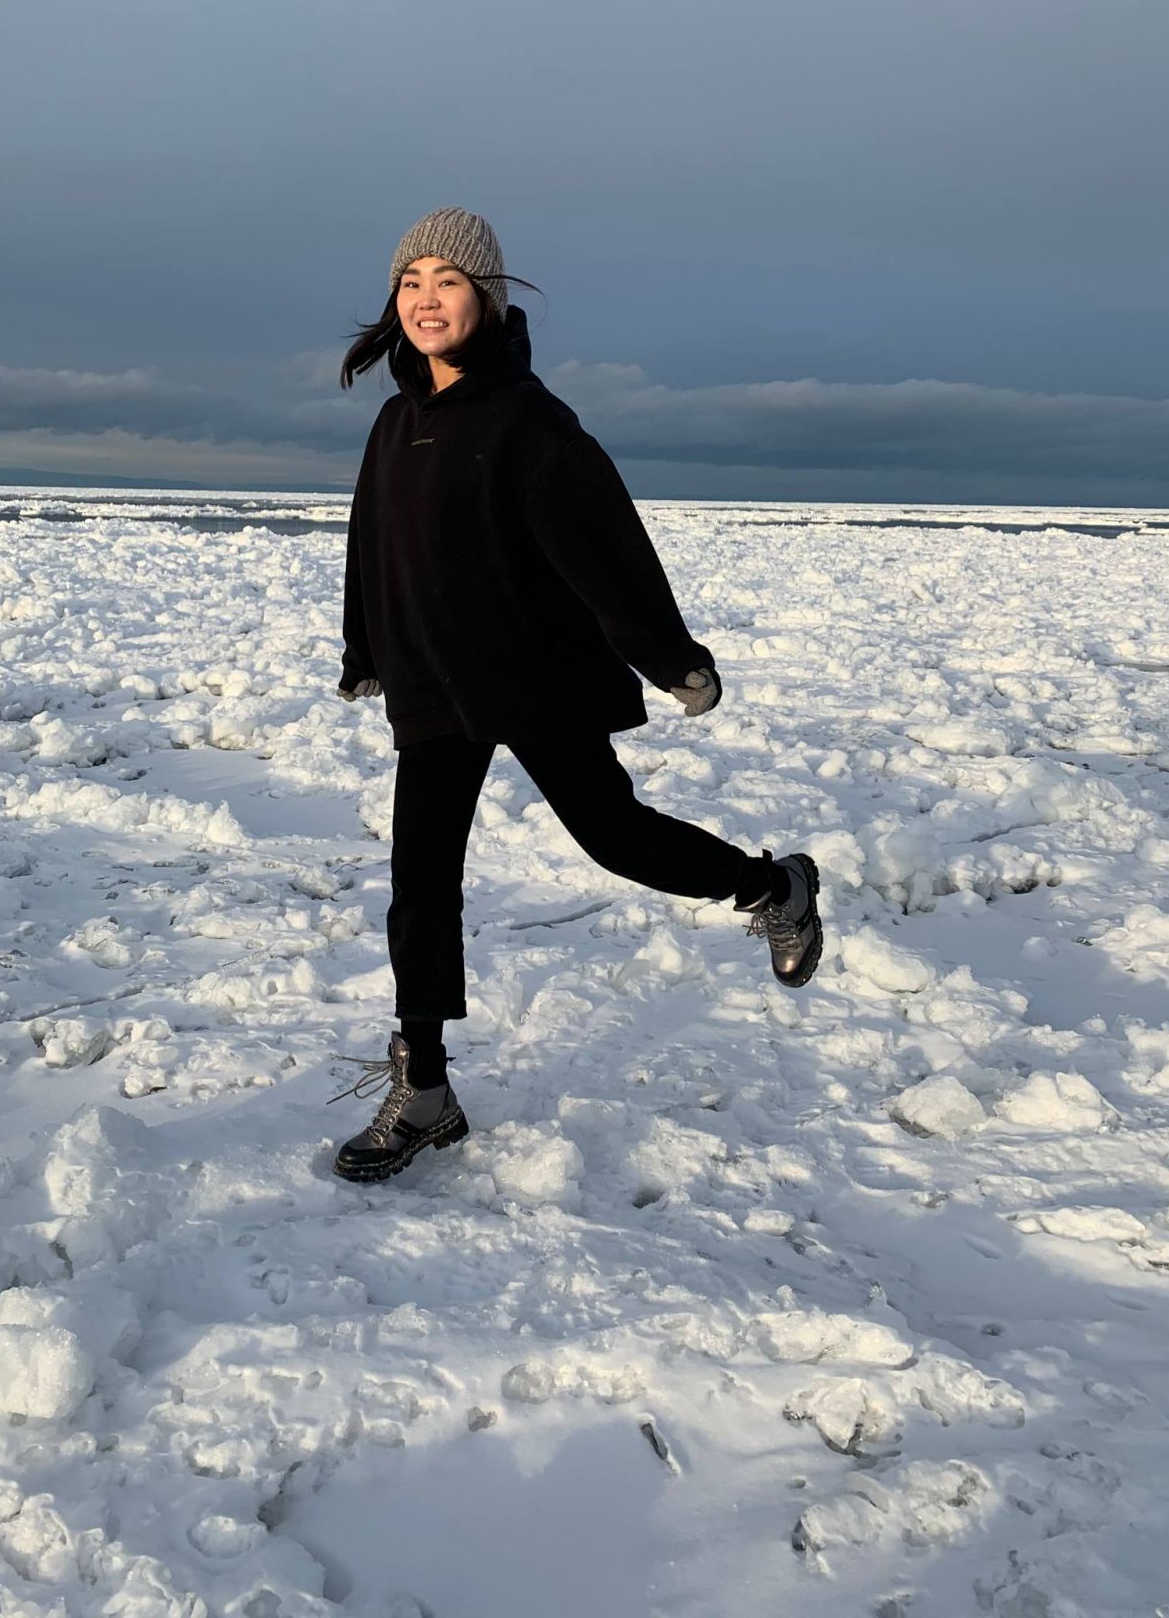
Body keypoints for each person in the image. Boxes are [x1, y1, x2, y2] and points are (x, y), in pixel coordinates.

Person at [328, 207, 822, 1182]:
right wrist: (365, 647)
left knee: (613, 835)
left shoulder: (528, 420)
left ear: (487, 297)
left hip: (529, 672)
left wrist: (667, 656)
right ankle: (424, 1086)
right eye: (411, 281)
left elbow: (603, 546)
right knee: (421, 880)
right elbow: (371, 543)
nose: (427, 298)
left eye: (449, 280)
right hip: (433, 684)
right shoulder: (397, 423)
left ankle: (776, 888)